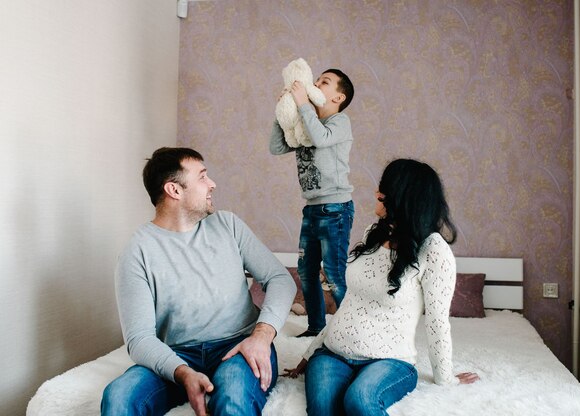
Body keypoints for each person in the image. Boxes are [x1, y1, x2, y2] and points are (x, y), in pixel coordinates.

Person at [101, 147, 297, 416]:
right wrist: (182, 373)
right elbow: (139, 339)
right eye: (202, 177)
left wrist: (261, 336)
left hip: (238, 346)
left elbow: (280, 279)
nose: (212, 184)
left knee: (232, 399)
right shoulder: (137, 251)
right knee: (119, 397)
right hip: (175, 356)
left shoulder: (228, 225)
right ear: (175, 190)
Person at [284, 159, 480, 415]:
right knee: (322, 409)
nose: (377, 193)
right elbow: (351, 305)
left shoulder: (433, 250)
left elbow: (437, 322)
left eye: (385, 189)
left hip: (390, 361)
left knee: (360, 400)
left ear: (405, 197)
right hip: (332, 354)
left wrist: (446, 378)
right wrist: (309, 354)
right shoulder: (373, 235)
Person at [269, 68, 355, 337]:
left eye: (323, 82)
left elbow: (321, 138)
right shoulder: (305, 125)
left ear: (337, 98)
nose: (315, 84)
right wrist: (282, 111)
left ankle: (350, 331)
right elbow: (277, 147)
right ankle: (317, 327)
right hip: (313, 208)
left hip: (336, 209)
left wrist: (304, 104)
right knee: (306, 271)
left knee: (333, 272)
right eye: (316, 80)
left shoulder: (340, 122)